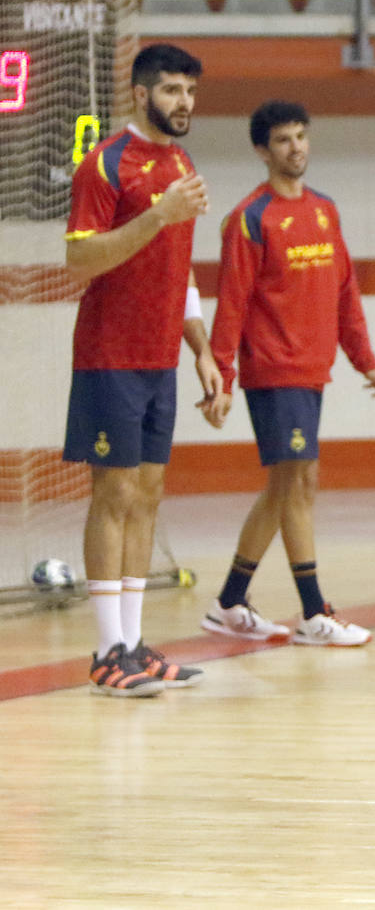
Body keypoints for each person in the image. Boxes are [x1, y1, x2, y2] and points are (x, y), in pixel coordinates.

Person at [200, 100, 375, 647]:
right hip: (273, 370)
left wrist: (366, 360)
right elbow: (231, 304)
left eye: (302, 136)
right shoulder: (250, 219)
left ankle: (230, 601)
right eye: (284, 140)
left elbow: (344, 292)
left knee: (287, 486)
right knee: (298, 484)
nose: (296, 148)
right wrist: (221, 376)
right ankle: (313, 612)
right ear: (263, 151)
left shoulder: (325, 211)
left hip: (313, 370)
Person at [64, 43, 216, 697]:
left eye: (190, 91)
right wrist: (159, 213)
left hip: (160, 359)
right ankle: (105, 653)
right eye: (172, 91)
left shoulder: (180, 161)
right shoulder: (105, 166)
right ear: (139, 94)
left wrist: (202, 348)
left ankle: (133, 644)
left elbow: (176, 272)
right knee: (115, 497)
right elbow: (81, 260)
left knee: (149, 496)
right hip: (110, 357)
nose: (184, 103)